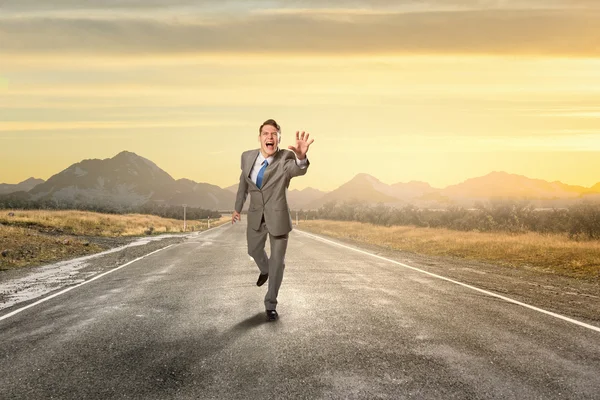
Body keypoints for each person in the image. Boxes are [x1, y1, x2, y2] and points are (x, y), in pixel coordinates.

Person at [232, 119, 314, 321]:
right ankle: (265, 269)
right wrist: (237, 209)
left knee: (278, 262)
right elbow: (243, 185)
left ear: (279, 138)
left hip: (278, 218)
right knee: (253, 250)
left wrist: (301, 157)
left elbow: (297, 169)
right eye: (266, 133)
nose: (270, 137)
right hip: (255, 216)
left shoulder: (286, 158)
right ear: (259, 137)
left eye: (274, 134)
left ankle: (270, 304)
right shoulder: (247, 157)